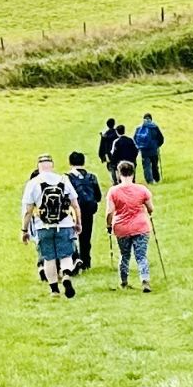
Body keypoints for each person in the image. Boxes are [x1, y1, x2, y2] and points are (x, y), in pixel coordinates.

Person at [21, 153, 81, 297]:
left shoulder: (33, 183)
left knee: (49, 258)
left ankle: (54, 290)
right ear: (52, 166)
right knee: (66, 255)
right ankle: (66, 274)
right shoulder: (63, 180)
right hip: (64, 223)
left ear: (38, 167)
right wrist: (78, 222)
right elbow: (75, 205)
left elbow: (28, 211)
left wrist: (24, 229)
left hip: (43, 226)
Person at [105, 160, 155, 292]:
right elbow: (151, 208)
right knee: (141, 256)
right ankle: (145, 280)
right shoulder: (142, 189)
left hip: (122, 228)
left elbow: (110, 211)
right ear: (133, 173)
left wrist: (108, 225)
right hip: (141, 226)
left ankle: (124, 281)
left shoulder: (113, 191)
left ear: (118, 173)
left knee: (124, 255)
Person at [66, 151, 103, 273]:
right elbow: (98, 196)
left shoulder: (67, 178)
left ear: (70, 163)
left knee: (70, 237)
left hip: (72, 211)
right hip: (88, 210)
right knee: (86, 238)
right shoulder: (92, 177)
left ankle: (74, 260)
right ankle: (86, 262)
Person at [134, 111, 165, 183]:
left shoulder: (139, 128)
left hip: (144, 150)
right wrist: (157, 145)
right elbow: (161, 138)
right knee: (154, 165)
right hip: (153, 150)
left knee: (146, 166)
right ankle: (156, 179)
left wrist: (139, 147)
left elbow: (135, 138)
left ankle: (149, 181)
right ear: (151, 119)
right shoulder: (154, 127)